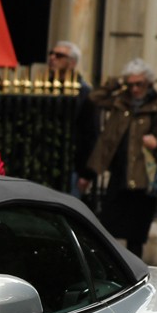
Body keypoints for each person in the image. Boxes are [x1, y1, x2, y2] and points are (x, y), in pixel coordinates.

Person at [77, 59, 157, 258]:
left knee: (135, 237)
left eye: (139, 84)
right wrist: (117, 82)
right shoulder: (120, 102)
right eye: (131, 84)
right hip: (119, 176)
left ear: (148, 84)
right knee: (107, 229)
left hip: (145, 181)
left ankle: (135, 277)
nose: (134, 89)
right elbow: (94, 98)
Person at [48, 40, 100, 197]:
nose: (52, 58)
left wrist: (86, 173)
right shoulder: (45, 86)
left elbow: (91, 134)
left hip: (73, 166)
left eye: (59, 55)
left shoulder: (85, 92)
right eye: (51, 53)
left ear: (72, 62)